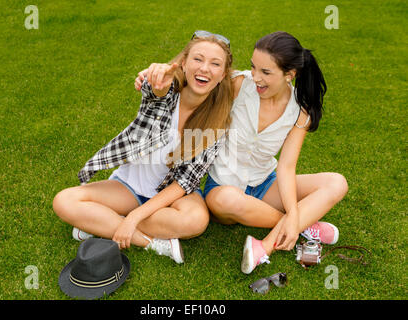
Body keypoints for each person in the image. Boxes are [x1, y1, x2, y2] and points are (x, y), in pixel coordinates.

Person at [135, 31, 348, 273]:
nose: (256, 77)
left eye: (266, 72)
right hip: (224, 190)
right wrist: (156, 73)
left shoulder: (300, 110)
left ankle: (264, 246)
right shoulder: (239, 85)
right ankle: (301, 224)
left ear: (290, 75)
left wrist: (291, 208)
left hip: (265, 184)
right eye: (254, 67)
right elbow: (197, 76)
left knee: (336, 183)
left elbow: (286, 167)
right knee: (226, 199)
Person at [53, 31, 234, 264]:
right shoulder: (168, 92)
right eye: (198, 59)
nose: (205, 68)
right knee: (64, 200)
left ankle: (101, 223)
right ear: (184, 63)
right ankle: (149, 242)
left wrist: (135, 216)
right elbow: (155, 93)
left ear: (223, 74)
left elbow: (184, 182)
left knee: (197, 220)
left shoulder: (217, 122)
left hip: (170, 194)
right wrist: (156, 80)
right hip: (128, 187)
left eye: (215, 64)